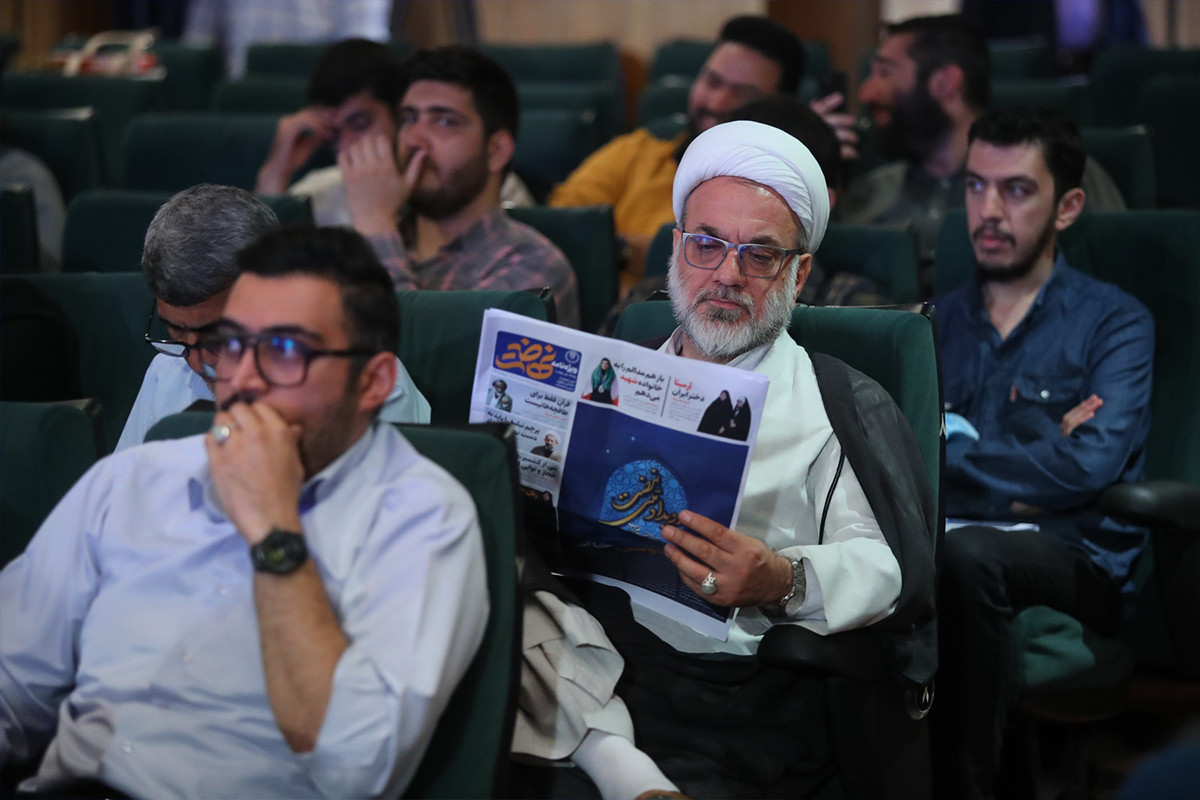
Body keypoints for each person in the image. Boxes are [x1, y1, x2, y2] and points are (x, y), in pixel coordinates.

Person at [514, 120, 936, 799]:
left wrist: (780, 580)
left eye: (760, 255)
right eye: (707, 244)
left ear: (799, 272)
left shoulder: (834, 402)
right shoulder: (608, 376)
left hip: (725, 696)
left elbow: (885, 568)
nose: (728, 275)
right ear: (677, 249)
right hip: (581, 653)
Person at [0, 226, 488, 799]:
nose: (241, 380)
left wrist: (275, 530)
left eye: (285, 352)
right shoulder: (133, 480)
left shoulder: (422, 516)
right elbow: (13, 681)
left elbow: (355, 768)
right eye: (231, 345)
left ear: (373, 382)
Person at [929, 106, 1154, 800]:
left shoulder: (1115, 324)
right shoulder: (935, 323)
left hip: (1076, 557)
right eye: (976, 186)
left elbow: (1089, 468)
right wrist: (1038, 456)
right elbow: (901, 458)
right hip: (958, 534)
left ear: (1067, 207)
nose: (989, 210)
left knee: (965, 555)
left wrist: (952, 460)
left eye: (1017, 190)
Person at [116, 184, 430, 452]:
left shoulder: (365, 388)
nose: (199, 363)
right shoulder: (167, 371)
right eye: (177, 332)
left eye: (220, 337)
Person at [833, 14, 1126, 271]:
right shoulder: (866, 197)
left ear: (945, 82)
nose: (866, 93)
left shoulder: (1064, 176)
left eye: (884, 72)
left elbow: (1116, 274)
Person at [339, 45, 581, 328]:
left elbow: (426, 350)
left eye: (445, 121)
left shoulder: (533, 265)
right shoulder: (364, 245)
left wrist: (377, 224)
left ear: (496, 151)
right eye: (409, 118)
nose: (414, 139)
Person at [549, 16, 805, 281]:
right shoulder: (635, 151)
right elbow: (558, 225)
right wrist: (626, 250)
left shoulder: (777, 197)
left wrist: (617, 250)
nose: (717, 102)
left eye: (743, 93)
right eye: (712, 82)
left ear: (779, 107)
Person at [254, 39, 533, 228]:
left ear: (394, 116)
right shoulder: (321, 189)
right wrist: (276, 172)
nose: (346, 146)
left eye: (360, 124)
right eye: (334, 132)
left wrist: (376, 221)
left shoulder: (491, 186)